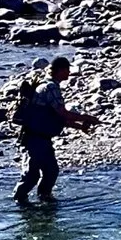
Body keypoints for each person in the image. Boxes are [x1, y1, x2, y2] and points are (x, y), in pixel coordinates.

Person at [13, 56, 97, 204]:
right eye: (67, 70)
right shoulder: (51, 87)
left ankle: (45, 199)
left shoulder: (47, 86)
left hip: (43, 138)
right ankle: (19, 201)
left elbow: (54, 118)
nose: (69, 73)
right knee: (32, 175)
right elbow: (62, 113)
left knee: (51, 171)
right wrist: (86, 118)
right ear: (60, 70)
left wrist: (79, 126)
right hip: (34, 138)